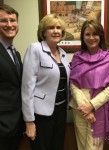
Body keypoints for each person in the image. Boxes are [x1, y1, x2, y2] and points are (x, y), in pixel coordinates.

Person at [69, 20, 109, 150]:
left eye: (95, 34)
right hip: (79, 109)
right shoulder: (77, 56)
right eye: (87, 34)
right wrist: (84, 108)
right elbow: (73, 84)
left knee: (94, 148)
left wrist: (91, 106)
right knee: (81, 146)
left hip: (99, 109)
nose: (91, 38)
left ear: (101, 36)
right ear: (82, 37)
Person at [21, 14, 70, 150]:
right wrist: (29, 121)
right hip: (41, 114)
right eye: (51, 27)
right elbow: (27, 87)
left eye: (58, 28)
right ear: (43, 32)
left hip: (61, 111)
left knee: (57, 146)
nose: (55, 31)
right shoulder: (35, 49)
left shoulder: (63, 53)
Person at [0, 4, 24, 150]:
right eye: (3, 21)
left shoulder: (15, 53)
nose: (9, 25)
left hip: (15, 125)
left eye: (13, 20)